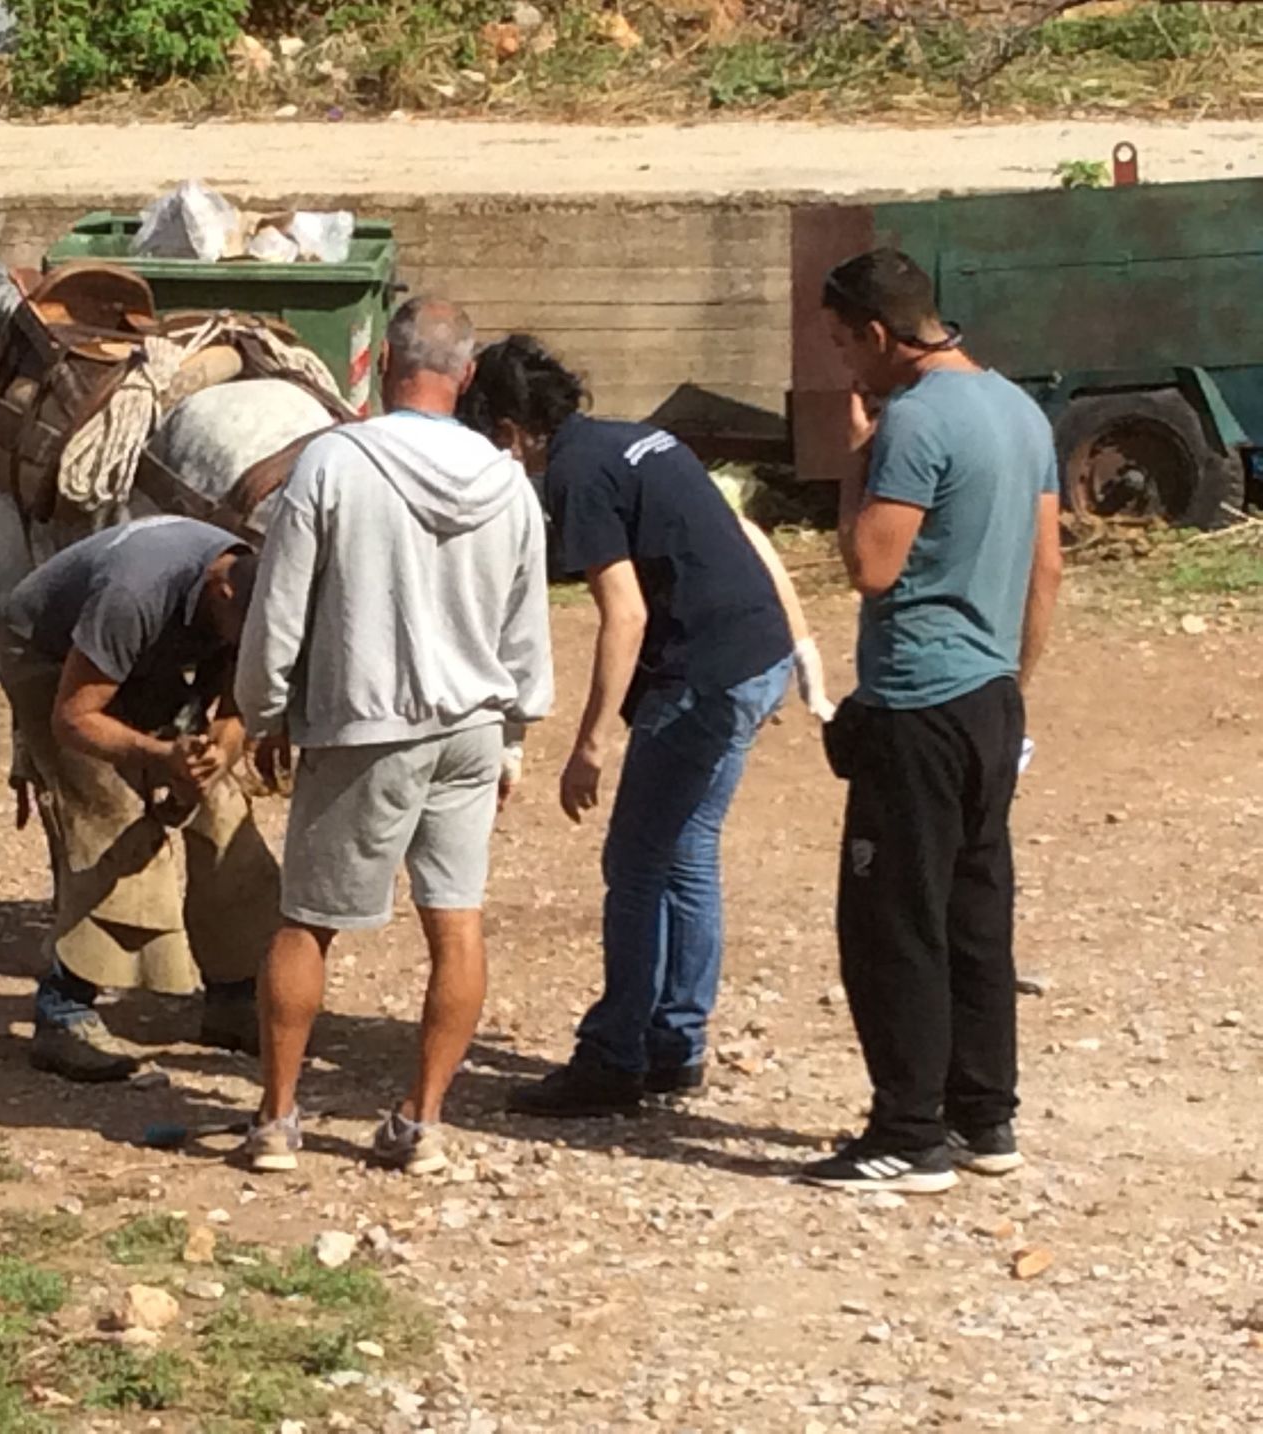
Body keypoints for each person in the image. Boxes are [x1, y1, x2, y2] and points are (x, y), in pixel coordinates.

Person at [456, 335, 832, 1118]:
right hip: (753, 655)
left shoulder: (575, 475)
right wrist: (795, 654)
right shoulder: (633, 438)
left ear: (509, 430)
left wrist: (590, 745)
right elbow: (746, 536)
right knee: (686, 852)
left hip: (704, 676)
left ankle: (613, 1058)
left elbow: (623, 615)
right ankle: (674, 1044)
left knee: (634, 863)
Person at [234, 298, 553, 1176]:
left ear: (381, 366)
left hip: (364, 724)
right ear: (468, 375)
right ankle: (423, 1123)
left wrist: (264, 709)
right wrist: (515, 737)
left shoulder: (335, 461)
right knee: (456, 923)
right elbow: (526, 626)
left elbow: (281, 602)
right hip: (472, 726)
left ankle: (277, 1119)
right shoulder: (509, 483)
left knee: (306, 923)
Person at [802, 248, 1062, 1194]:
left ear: (879, 334)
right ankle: (984, 1115)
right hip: (991, 697)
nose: (845, 364)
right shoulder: (1019, 409)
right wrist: (1013, 683)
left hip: (916, 702)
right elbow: (1046, 567)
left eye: (844, 344)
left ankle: (907, 1131)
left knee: (893, 920)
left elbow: (871, 566)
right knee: (974, 914)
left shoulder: (912, 422)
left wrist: (854, 463)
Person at [0, 515, 278, 1082]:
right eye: (245, 634)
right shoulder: (134, 594)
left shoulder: (252, 595)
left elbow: (238, 699)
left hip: (146, 654)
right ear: (220, 593)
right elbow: (74, 719)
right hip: (49, 655)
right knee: (112, 817)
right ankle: (63, 1011)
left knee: (224, 812)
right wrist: (160, 755)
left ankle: (232, 997)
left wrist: (218, 752)